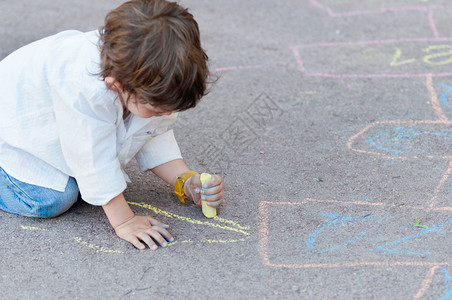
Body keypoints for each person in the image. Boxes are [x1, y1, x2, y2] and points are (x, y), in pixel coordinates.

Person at [0, 0, 223, 250]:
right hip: (12, 132)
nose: (168, 113)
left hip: (51, 129)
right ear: (115, 85)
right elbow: (90, 155)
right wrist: (125, 221)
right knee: (50, 199)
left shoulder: (144, 73)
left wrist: (184, 179)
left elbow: (152, 133)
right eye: (157, 108)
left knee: (85, 183)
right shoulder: (83, 87)